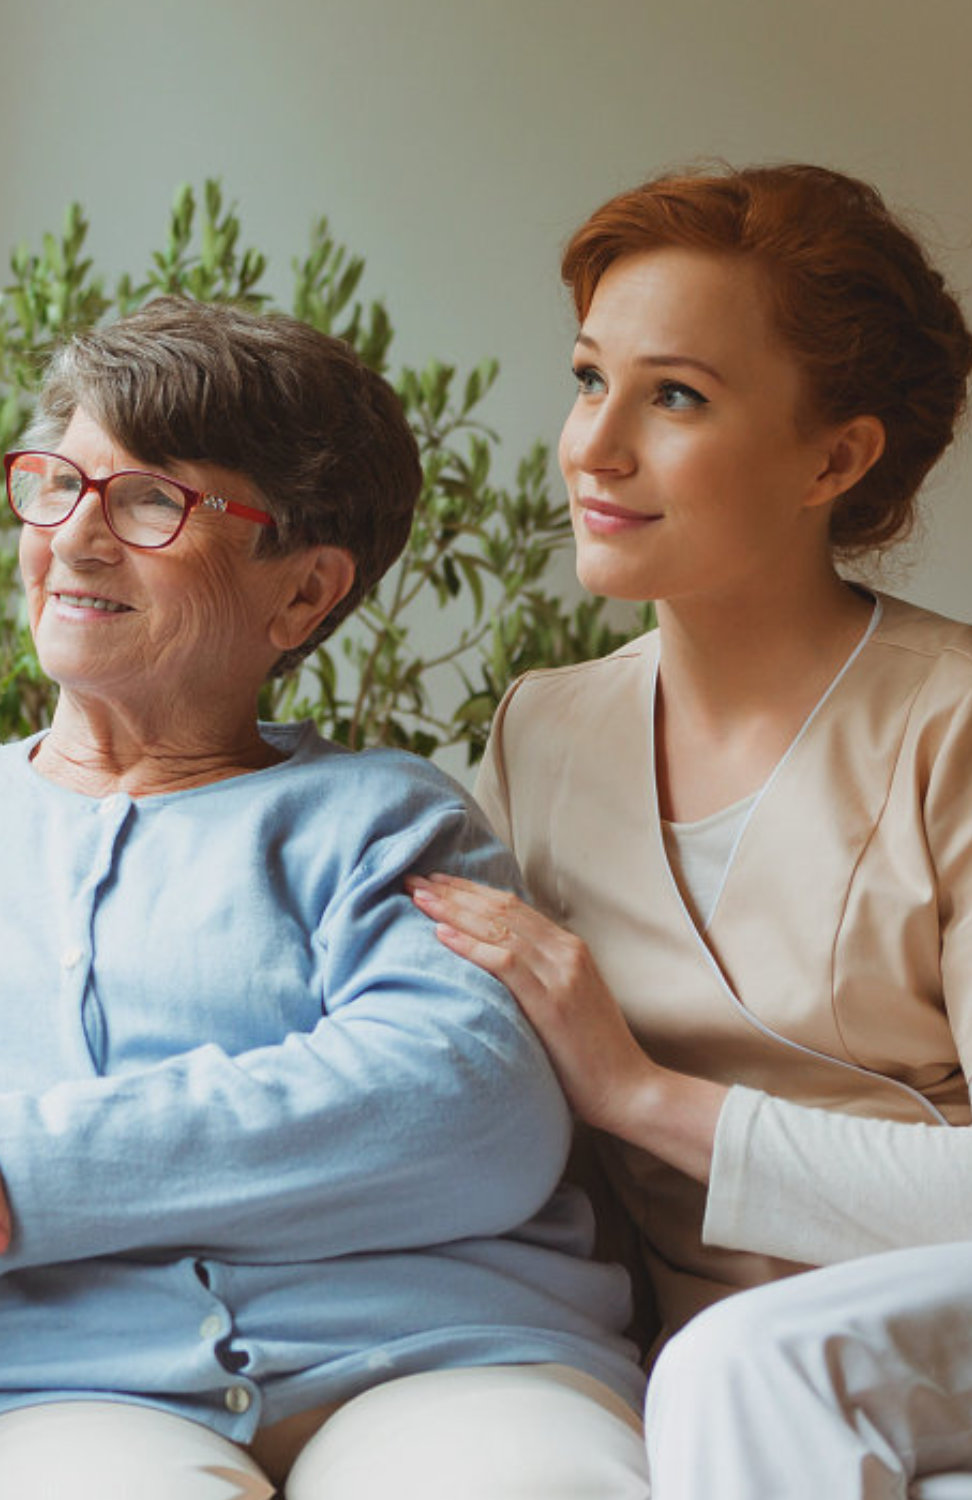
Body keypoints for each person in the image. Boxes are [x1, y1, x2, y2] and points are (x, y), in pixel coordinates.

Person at [0, 296, 647, 1499]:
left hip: (440, 1357)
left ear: (301, 595)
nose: (74, 540)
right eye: (55, 483)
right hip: (25, 1390)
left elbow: (462, 1111)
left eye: (149, 502)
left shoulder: (386, 817)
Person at [408, 162, 972, 1497]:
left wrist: (644, 1097)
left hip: (888, 1326)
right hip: (732, 1379)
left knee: (734, 1363)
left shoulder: (950, 728)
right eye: (591, 377)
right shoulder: (541, 736)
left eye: (676, 396)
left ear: (835, 457)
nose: (594, 447)